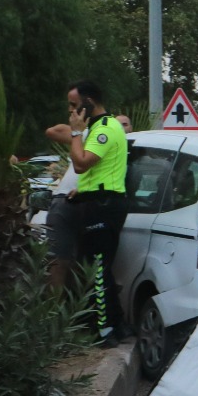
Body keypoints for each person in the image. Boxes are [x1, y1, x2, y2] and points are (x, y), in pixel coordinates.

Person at [60, 79, 129, 345]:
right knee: (102, 269)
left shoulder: (104, 129)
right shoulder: (104, 127)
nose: (71, 112)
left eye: (74, 106)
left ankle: (104, 331)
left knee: (97, 271)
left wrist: (76, 133)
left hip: (104, 206)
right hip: (98, 201)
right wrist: (83, 192)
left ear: (88, 103)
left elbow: (81, 165)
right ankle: (118, 324)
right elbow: (100, 172)